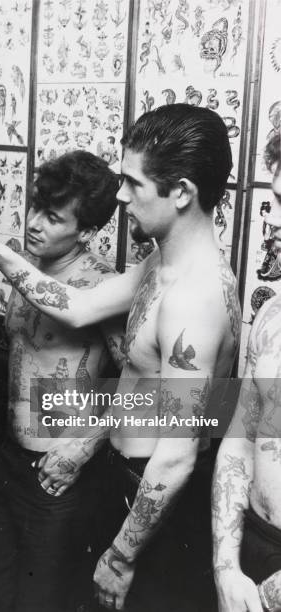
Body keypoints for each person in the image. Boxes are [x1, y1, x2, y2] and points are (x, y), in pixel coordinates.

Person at [0, 103, 240, 611]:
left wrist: (121, 556)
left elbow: (177, 452)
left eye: (133, 183)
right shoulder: (162, 263)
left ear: (181, 192)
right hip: (120, 481)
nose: (119, 195)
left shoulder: (197, 297)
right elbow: (77, 305)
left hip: (153, 500)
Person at [0, 151, 126, 612]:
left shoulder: (102, 288)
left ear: (86, 230)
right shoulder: (26, 271)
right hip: (8, 462)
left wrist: (84, 447)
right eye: (35, 207)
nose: (35, 223)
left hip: (60, 477)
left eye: (53, 217)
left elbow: (144, 386)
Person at [213, 133, 281, 612]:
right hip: (254, 547)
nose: (272, 219)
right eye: (275, 199)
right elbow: (240, 436)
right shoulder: (273, 316)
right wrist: (226, 566)